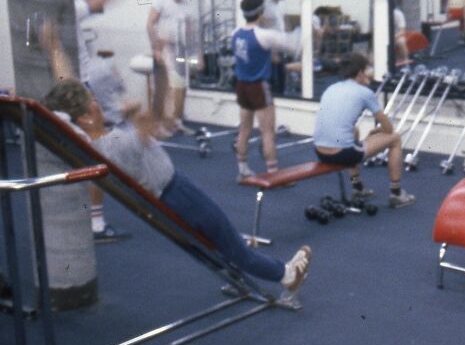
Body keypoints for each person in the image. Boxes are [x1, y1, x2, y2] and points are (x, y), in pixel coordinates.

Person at [40, 76, 312, 297]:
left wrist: (135, 115)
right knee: (233, 246)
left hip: (175, 192)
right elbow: (152, 122)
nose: (97, 104)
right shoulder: (115, 144)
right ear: (85, 118)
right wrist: (152, 96)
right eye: (93, 103)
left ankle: (238, 266)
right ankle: (286, 275)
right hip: (178, 195)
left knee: (225, 237)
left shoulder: (98, 144)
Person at [72, 0, 131, 243]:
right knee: (97, 155)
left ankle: (91, 220)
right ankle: (96, 225)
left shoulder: (70, 5)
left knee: (87, 153)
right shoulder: (73, 8)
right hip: (79, 89)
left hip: (73, 87)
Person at [313, 53, 416, 208]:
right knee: (395, 139)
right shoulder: (365, 92)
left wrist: (376, 131)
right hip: (343, 154)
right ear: (360, 73)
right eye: (367, 70)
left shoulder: (331, 88)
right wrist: (378, 130)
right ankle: (396, 193)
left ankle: (358, 188)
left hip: (320, 151)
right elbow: (389, 129)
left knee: (354, 130)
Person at [231, 0, 301, 181]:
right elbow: (294, 44)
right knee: (267, 132)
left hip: (241, 85)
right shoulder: (264, 35)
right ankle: (273, 174)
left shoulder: (235, 33)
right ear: (260, 12)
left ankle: (243, 169)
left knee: (244, 130)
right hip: (259, 86)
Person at [146, 0, 200, 138]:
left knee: (181, 86)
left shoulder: (186, 6)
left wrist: (196, 54)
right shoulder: (161, 1)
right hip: (164, 48)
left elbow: (192, 30)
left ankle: (176, 121)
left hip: (180, 49)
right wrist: (155, 48)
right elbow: (150, 24)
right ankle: (157, 125)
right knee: (163, 88)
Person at [262, 0, 291, 94]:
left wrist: (290, 36)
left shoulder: (282, 4)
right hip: (272, 42)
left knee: (282, 68)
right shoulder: (267, 6)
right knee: (274, 69)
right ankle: (273, 92)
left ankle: (281, 91)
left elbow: (285, 19)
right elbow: (266, 26)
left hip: (282, 40)